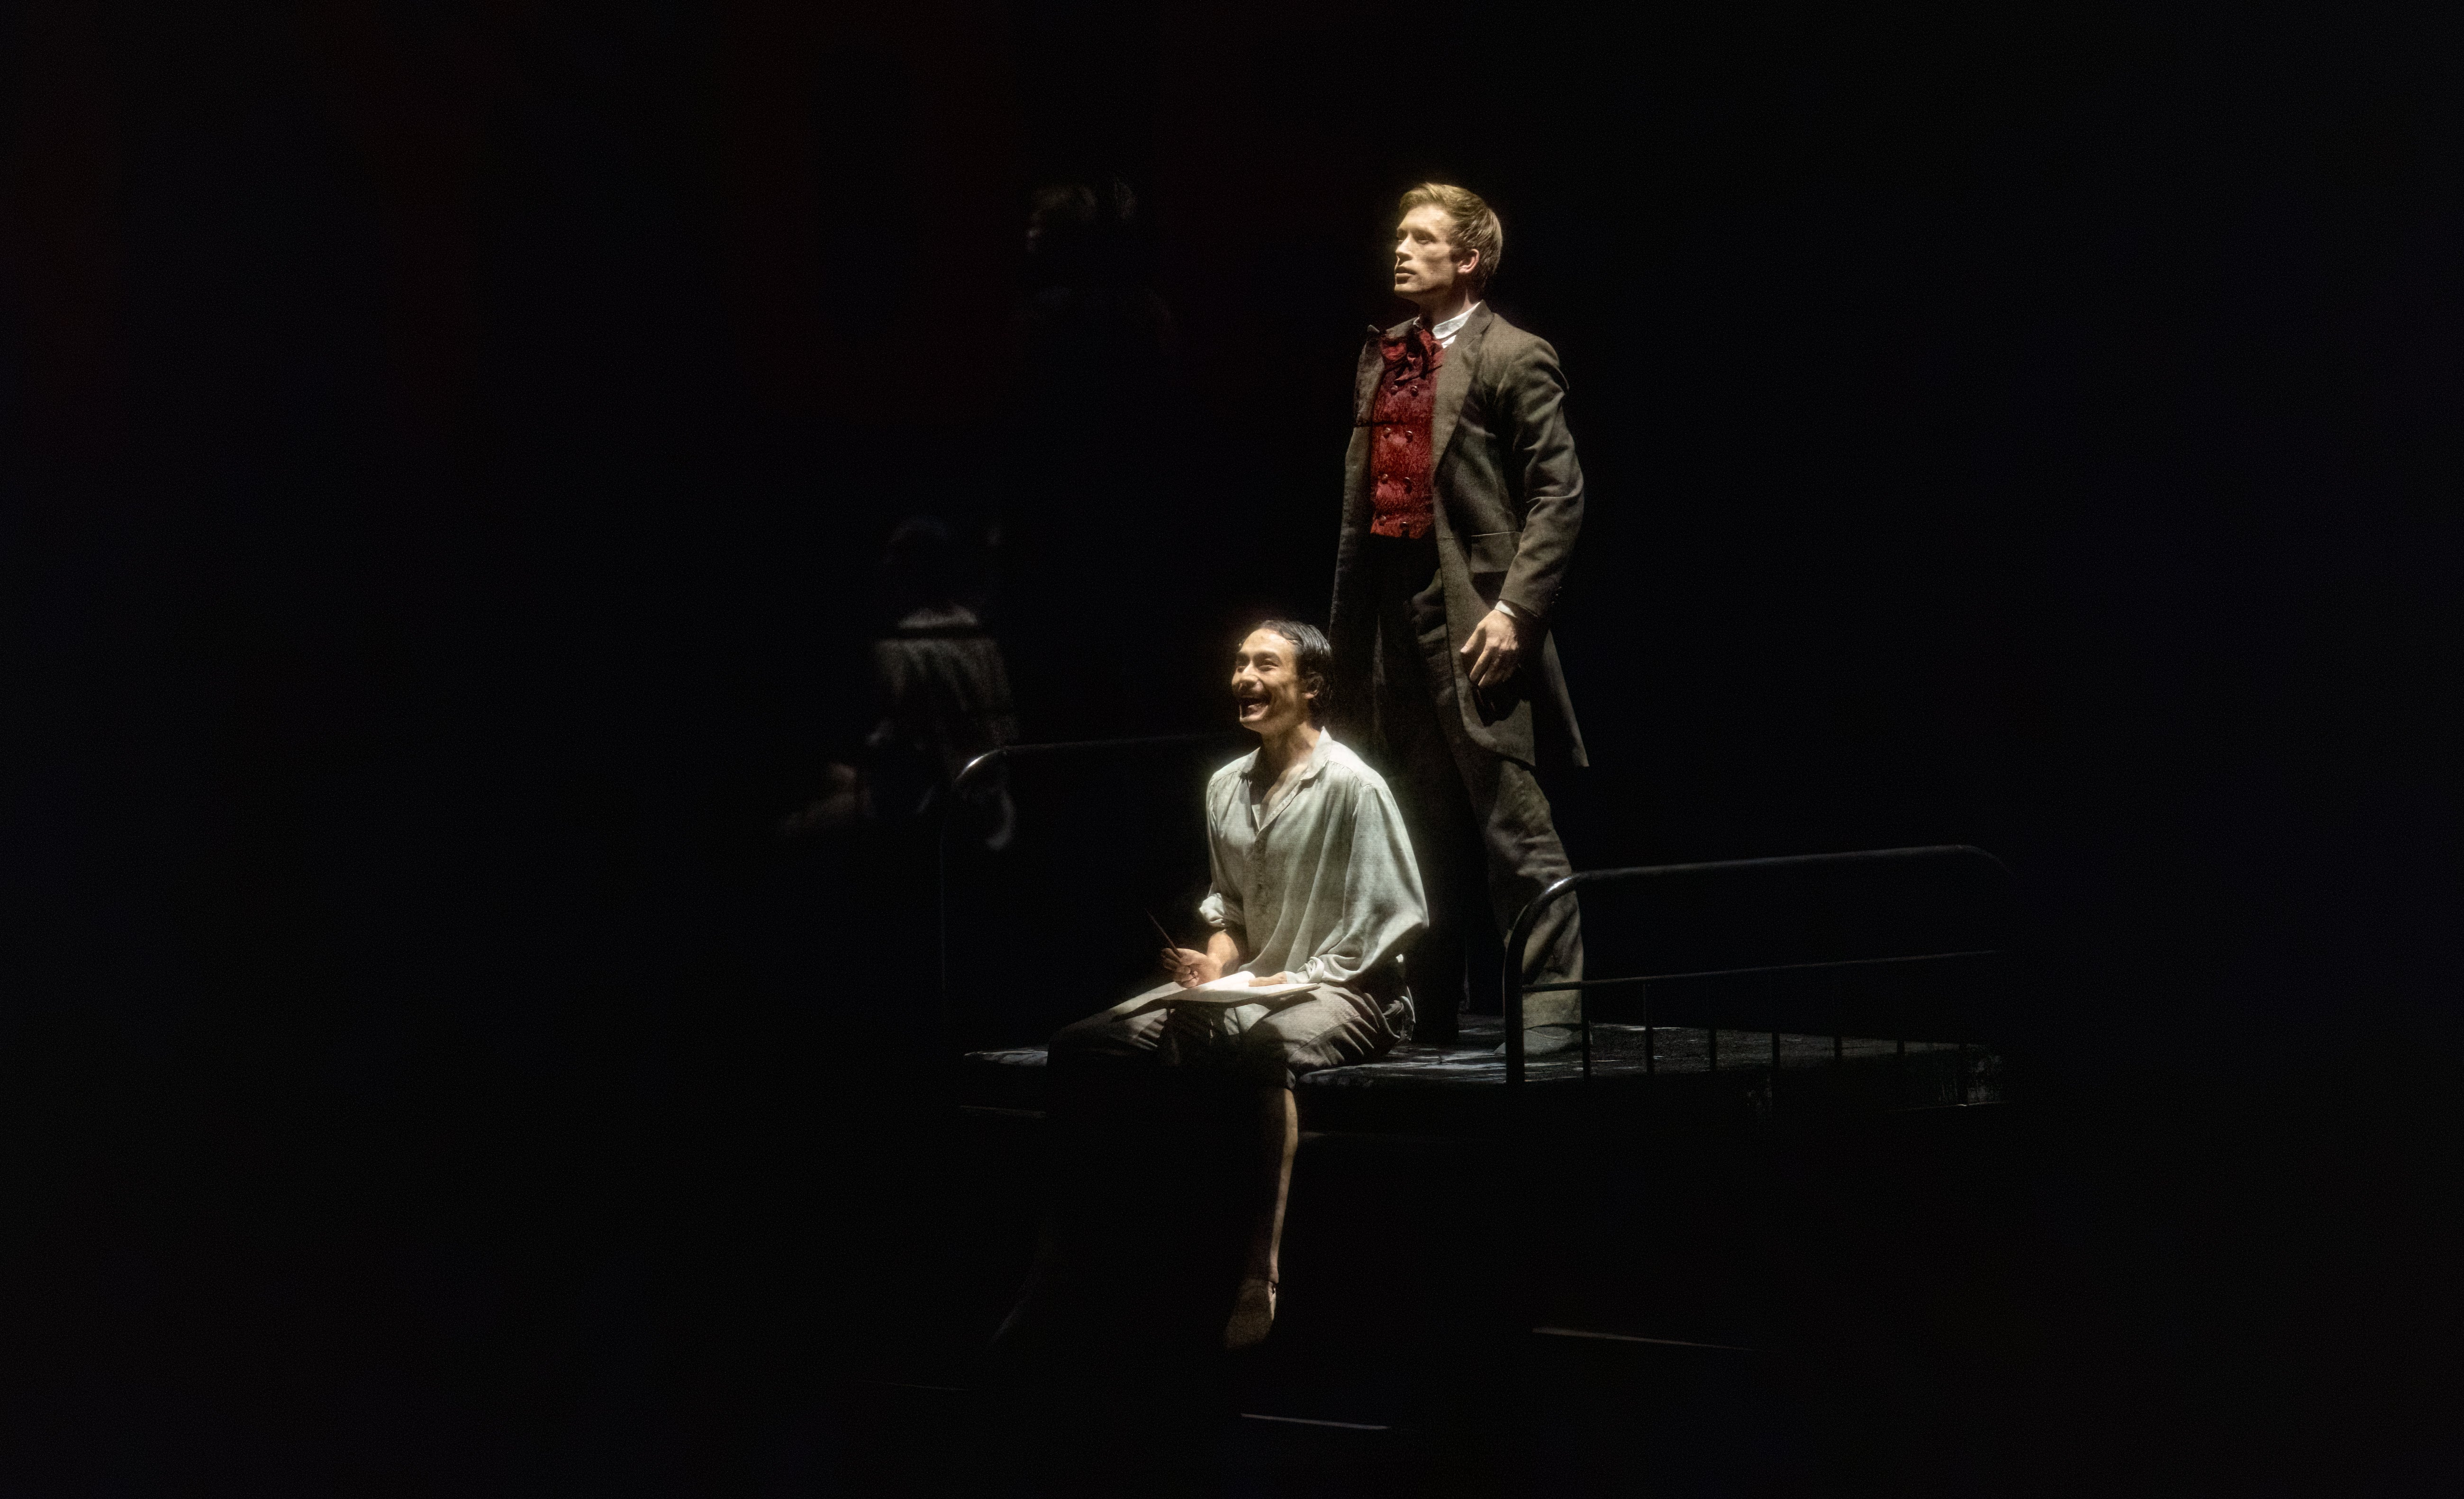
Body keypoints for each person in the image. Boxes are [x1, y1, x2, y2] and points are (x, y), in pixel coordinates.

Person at [1002, 620, 1428, 1353]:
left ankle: (1258, 1274)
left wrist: (1280, 981)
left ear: (1313, 686)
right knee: (1084, 1046)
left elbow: (1389, 924)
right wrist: (1217, 963)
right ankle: (1063, 1258)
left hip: (1352, 990)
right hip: (1255, 985)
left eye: (1265, 663)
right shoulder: (1225, 786)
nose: (1244, 677)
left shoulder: (1355, 787)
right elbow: (1230, 912)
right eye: (1238, 663)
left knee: (1265, 1048)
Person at [1326, 182, 1590, 1053]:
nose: (1400, 249)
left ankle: (1550, 1007)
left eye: (1422, 238)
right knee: (1417, 821)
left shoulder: (1514, 353)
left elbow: (1560, 492)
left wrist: (1517, 606)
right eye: (1398, 234)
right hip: (1391, 611)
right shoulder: (1388, 353)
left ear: (1468, 258)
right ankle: (1427, 1004)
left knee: (1511, 817)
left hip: (1471, 609)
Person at [778, 516, 1017, 848]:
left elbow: (907, 750)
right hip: (985, 791)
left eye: (895, 560)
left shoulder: (902, 645)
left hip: (937, 802)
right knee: (818, 778)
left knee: (795, 826)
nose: (884, 569)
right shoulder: (974, 630)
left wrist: (881, 745)